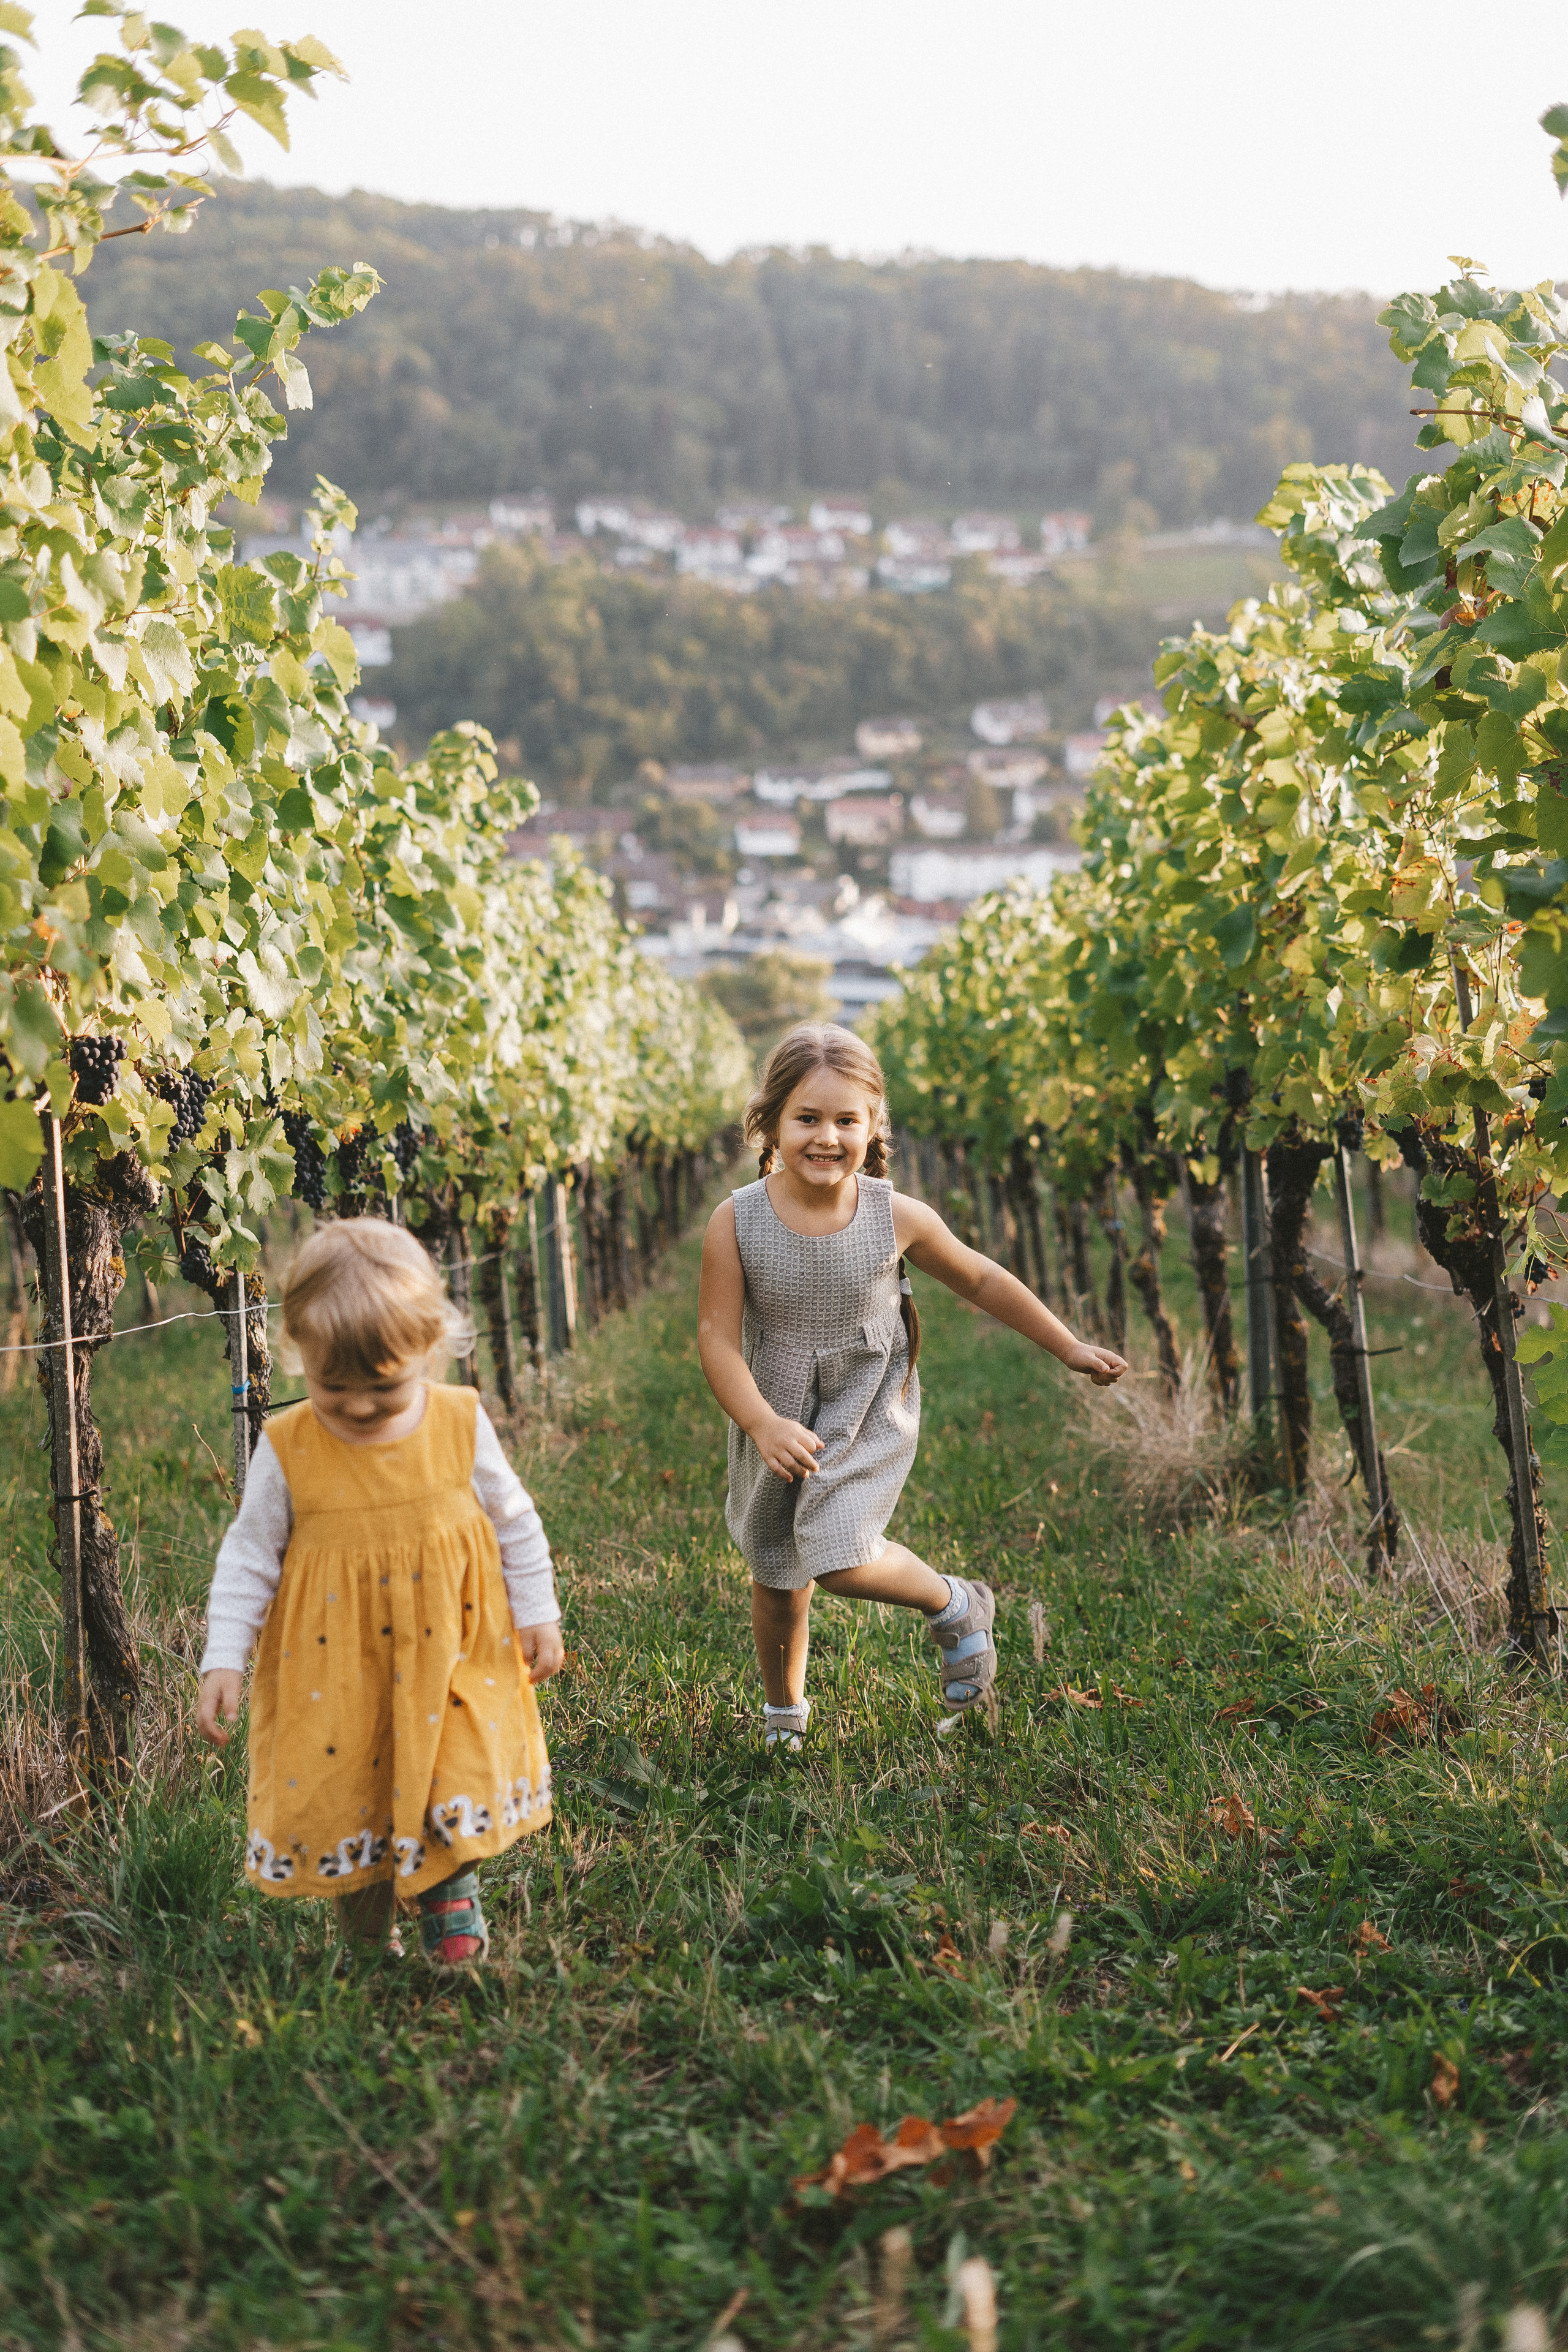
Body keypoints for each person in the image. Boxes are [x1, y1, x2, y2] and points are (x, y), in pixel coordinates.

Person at [698, 1023, 1126, 1751]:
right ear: (770, 1123)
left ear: (873, 1127)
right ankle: (784, 1718)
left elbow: (981, 1279)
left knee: (839, 1555)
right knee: (775, 1571)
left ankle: (954, 1603)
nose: (826, 1136)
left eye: (846, 1120)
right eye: (807, 1118)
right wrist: (763, 1423)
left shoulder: (893, 1215)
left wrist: (1066, 1345)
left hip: (863, 1409)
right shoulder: (736, 1220)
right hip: (774, 1408)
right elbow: (716, 1339)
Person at [195, 1218, 563, 1966]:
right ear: (299, 1353)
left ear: (429, 1347)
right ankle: (367, 1935)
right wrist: (223, 1655)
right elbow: (249, 1555)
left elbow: (514, 1520)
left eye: (385, 1388)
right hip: (338, 1663)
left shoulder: (458, 1420)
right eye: (334, 1387)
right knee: (348, 1785)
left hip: (448, 1647)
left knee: (449, 1765)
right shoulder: (289, 1447)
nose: (359, 1407)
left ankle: (450, 1896)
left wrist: (537, 1611)